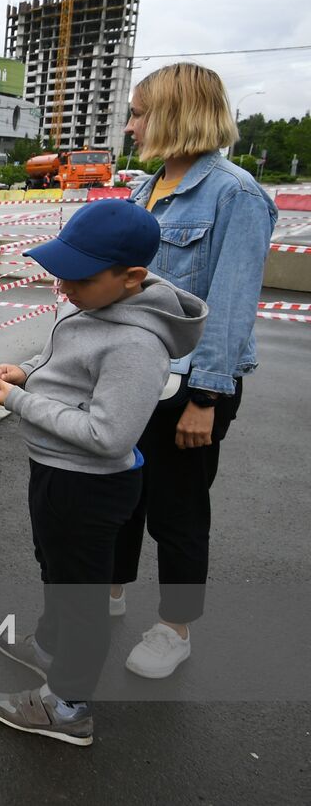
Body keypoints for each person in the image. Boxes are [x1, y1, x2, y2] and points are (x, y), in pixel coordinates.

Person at [0, 199, 207, 746]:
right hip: (57, 471)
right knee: (57, 570)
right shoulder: (91, 302)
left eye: (77, 277)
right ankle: (49, 647)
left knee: (81, 597)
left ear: (131, 278)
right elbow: (64, 363)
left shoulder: (136, 343)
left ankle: (68, 706)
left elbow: (110, 435)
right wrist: (29, 372)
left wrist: (18, 401)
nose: (63, 286)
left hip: (90, 483)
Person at [110, 63, 277, 679]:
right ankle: (109, 590)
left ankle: (174, 628)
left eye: (139, 113)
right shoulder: (142, 191)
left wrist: (207, 395)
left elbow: (230, 308)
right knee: (120, 493)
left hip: (188, 385)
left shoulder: (235, 194)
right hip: (130, 374)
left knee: (177, 509)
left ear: (174, 114)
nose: (130, 126)